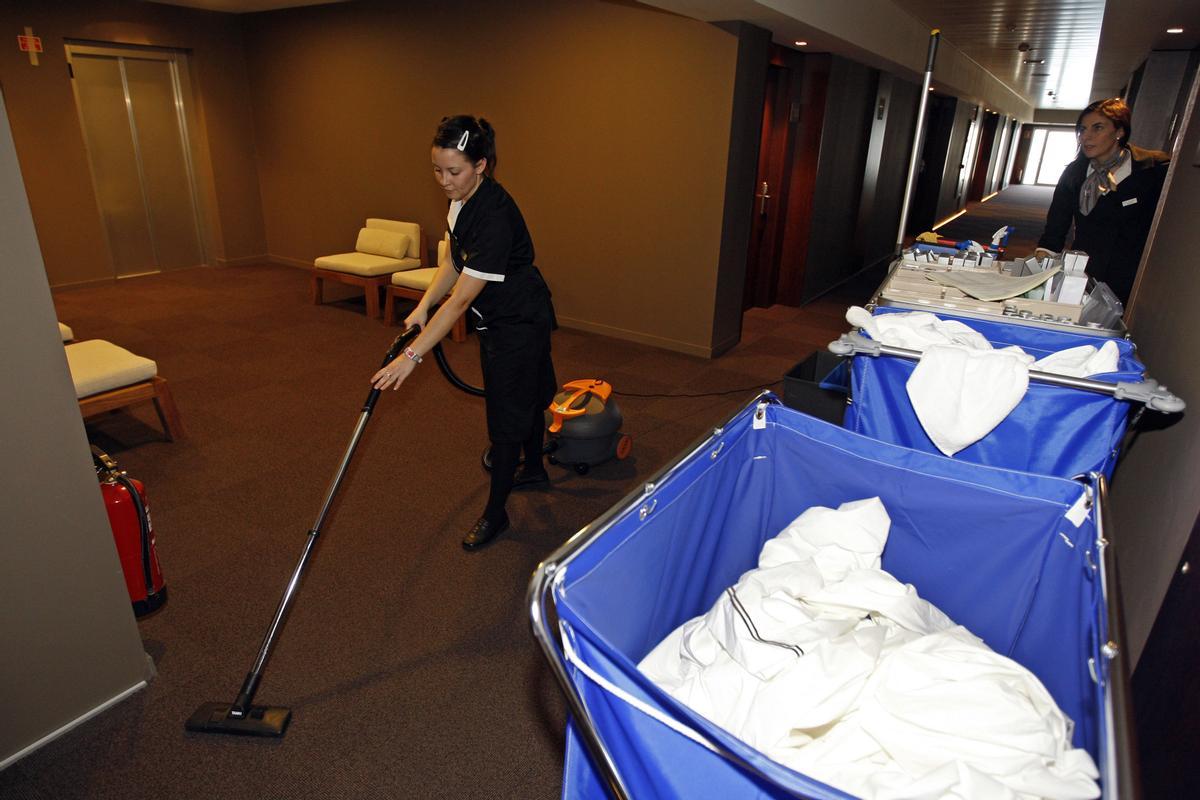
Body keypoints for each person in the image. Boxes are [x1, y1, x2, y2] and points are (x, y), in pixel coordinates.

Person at [371, 115, 557, 551]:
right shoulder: (461, 201)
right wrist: (421, 306)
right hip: (498, 317)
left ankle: (496, 515)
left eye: (453, 171)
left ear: (482, 166)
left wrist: (411, 357)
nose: (444, 181)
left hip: (519, 320)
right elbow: (453, 263)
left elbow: (459, 300)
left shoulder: (493, 216)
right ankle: (534, 469)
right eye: (437, 170)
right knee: (519, 395)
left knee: (507, 415)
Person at [1035, 97, 1170, 307]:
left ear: (1119, 131)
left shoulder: (1153, 169)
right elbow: (1056, 226)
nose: (1086, 137)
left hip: (1133, 275)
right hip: (1085, 269)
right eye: (1082, 129)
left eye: (1097, 128)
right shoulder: (1075, 173)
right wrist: (1040, 267)